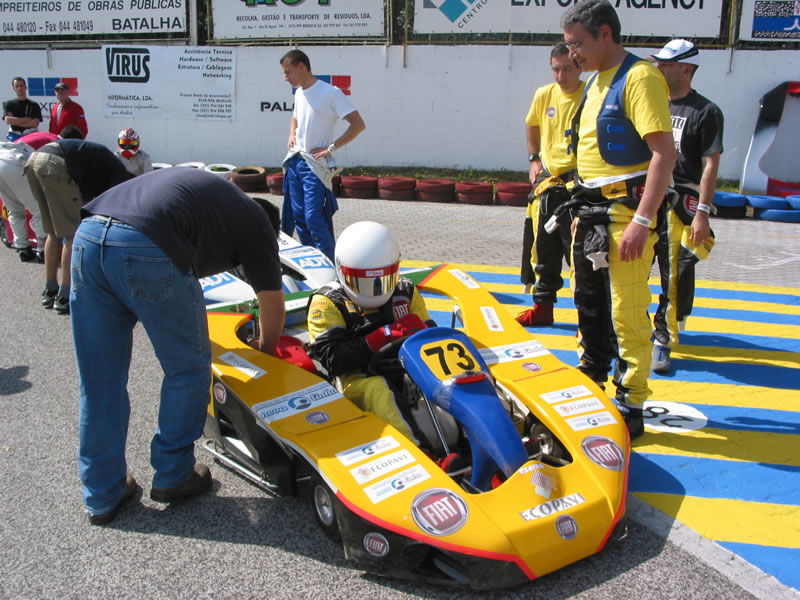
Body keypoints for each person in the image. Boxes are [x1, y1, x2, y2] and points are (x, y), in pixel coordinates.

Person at [71, 167, 285, 525]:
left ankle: (102, 493)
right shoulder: (258, 224)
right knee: (187, 370)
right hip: (146, 242)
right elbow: (272, 305)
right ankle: (173, 474)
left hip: (88, 237)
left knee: (99, 381)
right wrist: (266, 352)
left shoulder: (215, 202)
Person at [560, 0, 677, 438]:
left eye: (578, 44)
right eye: (570, 46)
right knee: (588, 307)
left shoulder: (639, 77)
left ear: (605, 34)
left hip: (623, 216)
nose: (573, 55)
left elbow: (664, 154)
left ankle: (630, 401)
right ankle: (592, 382)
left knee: (627, 314)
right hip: (589, 216)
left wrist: (642, 222)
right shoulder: (594, 83)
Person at [307, 221, 433, 442]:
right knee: (379, 389)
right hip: (358, 379)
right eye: (362, 283)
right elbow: (332, 360)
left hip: (406, 369)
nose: (375, 291)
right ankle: (418, 451)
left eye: (382, 281)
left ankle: (477, 441)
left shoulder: (405, 291)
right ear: (341, 271)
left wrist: (425, 333)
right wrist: (376, 339)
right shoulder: (326, 302)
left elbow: (433, 340)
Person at [648, 39, 724, 374]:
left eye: (667, 64)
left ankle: (663, 338)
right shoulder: (652, 104)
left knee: (675, 270)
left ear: (686, 69)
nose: (660, 69)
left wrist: (703, 214)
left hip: (683, 202)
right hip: (647, 198)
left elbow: (710, 165)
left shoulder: (706, 111)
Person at [516, 43, 585, 327]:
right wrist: (534, 159)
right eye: (555, 69)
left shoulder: (592, 95)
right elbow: (531, 124)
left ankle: (589, 315)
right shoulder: (544, 95)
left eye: (566, 69)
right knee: (542, 250)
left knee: (581, 252)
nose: (560, 75)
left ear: (580, 66)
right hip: (549, 184)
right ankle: (542, 308)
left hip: (580, 185)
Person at [25, 138, 131, 314]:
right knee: (72, 233)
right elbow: (112, 203)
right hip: (55, 164)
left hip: (34, 160)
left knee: (53, 232)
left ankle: (50, 289)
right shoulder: (120, 175)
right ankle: (65, 295)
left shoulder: (101, 162)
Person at [280, 49, 366, 262]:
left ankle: (330, 266)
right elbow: (295, 117)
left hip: (314, 165)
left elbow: (358, 124)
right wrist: (292, 133)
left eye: (288, 72)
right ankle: (313, 265)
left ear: (302, 67)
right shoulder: (299, 92)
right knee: (299, 218)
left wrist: (332, 148)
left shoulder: (331, 93)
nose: (286, 78)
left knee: (314, 219)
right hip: (295, 161)